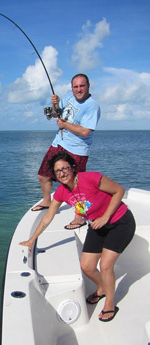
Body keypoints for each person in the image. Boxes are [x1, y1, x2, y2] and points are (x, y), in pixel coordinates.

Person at [21, 152, 136, 322]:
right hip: (98, 225)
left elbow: (119, 191)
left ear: (73, 168)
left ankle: (110, 304)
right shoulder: (61, 192)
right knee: (87, 267)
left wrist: (105, 217)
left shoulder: (91, 178)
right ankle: (102, 288)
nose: (62, 173)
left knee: (105, 265)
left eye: (65, 168)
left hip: (120, 222)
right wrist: (32, 240)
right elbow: (48, 217)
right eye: (57, 171)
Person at [32, 74, 101, 230]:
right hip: (59, 143)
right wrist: (55, 105)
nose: (78, 89)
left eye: (82, 86)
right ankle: (46, 201)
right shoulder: (69, 97)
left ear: (88, 86)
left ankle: (80, 217)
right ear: (72, 88)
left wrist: (64, 125)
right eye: (75, 86)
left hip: (77, 149)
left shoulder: (92, 106)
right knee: (43, 174)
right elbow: (56, 115)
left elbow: (85, 131)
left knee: (77, 185)